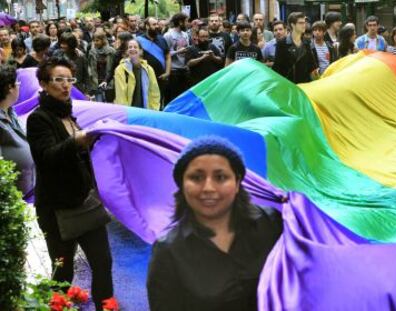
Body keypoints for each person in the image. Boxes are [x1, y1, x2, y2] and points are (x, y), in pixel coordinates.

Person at [147, 136, 283, 311]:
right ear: (182, 185)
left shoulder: (273, 224)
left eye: (220, 177)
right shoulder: (168, 252)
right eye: (196, 177)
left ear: (237, 182)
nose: (208, 188)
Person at [26, 57, 114, 310]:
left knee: (103, 263)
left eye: (69, 80)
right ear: (43, 84)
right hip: (57, 210)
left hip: (86, 202)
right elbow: (46, 157)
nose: (66, 86)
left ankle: (105, 307)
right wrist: (77, 141)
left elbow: (77, 155)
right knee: (63, 274)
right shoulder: (39, 119)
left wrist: (91, 140)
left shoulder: (70, 114)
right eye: (58, 80)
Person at [0, 65, 35, 199]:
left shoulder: (11, 112)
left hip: (27, 193)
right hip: (9, 202)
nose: (19, 86)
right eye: (17, 83)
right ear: (10, 87)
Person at [114, 39, 160, 110]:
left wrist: (154, 110)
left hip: (146, 112)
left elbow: (155, 92)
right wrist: (126, 113)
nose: (132, 49)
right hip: (129, 113)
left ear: (141, 51)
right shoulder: (120, 70)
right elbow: (120, 96)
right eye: (130, 47)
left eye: (135, 47)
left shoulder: (149, 69)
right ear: (127, 51)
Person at [272, 12, 318, 83]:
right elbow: (277, 67)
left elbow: (312, 66)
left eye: (304, 22)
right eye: (301, 23)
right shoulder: (282, 43)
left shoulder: (308, 42)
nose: (304, 25)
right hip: (288, 85)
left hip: (305, 84)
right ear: (292, 25)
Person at [138, 17, 171, 108]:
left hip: (161, 78)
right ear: (147, 26)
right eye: (154, 24)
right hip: (145, 78)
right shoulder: (139, 40)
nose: (157, 26)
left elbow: (168, 56)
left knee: (159, 102)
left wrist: (167, 72)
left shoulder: (162, 39)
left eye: (157, 24)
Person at [164, 13, 190, 103]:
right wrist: (178, 51)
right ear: (180, 22)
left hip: (184, 70)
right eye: (186, 21)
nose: (188, 23)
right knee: (174, 97)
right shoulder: (168, 35)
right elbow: (165, 54)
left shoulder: (185, 34)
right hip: (173, 71)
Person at [88, 30, 116, 102]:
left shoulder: (111, 51)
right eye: (94, 41)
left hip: (109, 82)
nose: (95, 43)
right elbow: (90, 67)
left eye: (97, 40)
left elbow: (113, 67)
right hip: (96, 82)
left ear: (103, 40)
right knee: (99, 103)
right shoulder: (92, 52)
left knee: (109, 103)